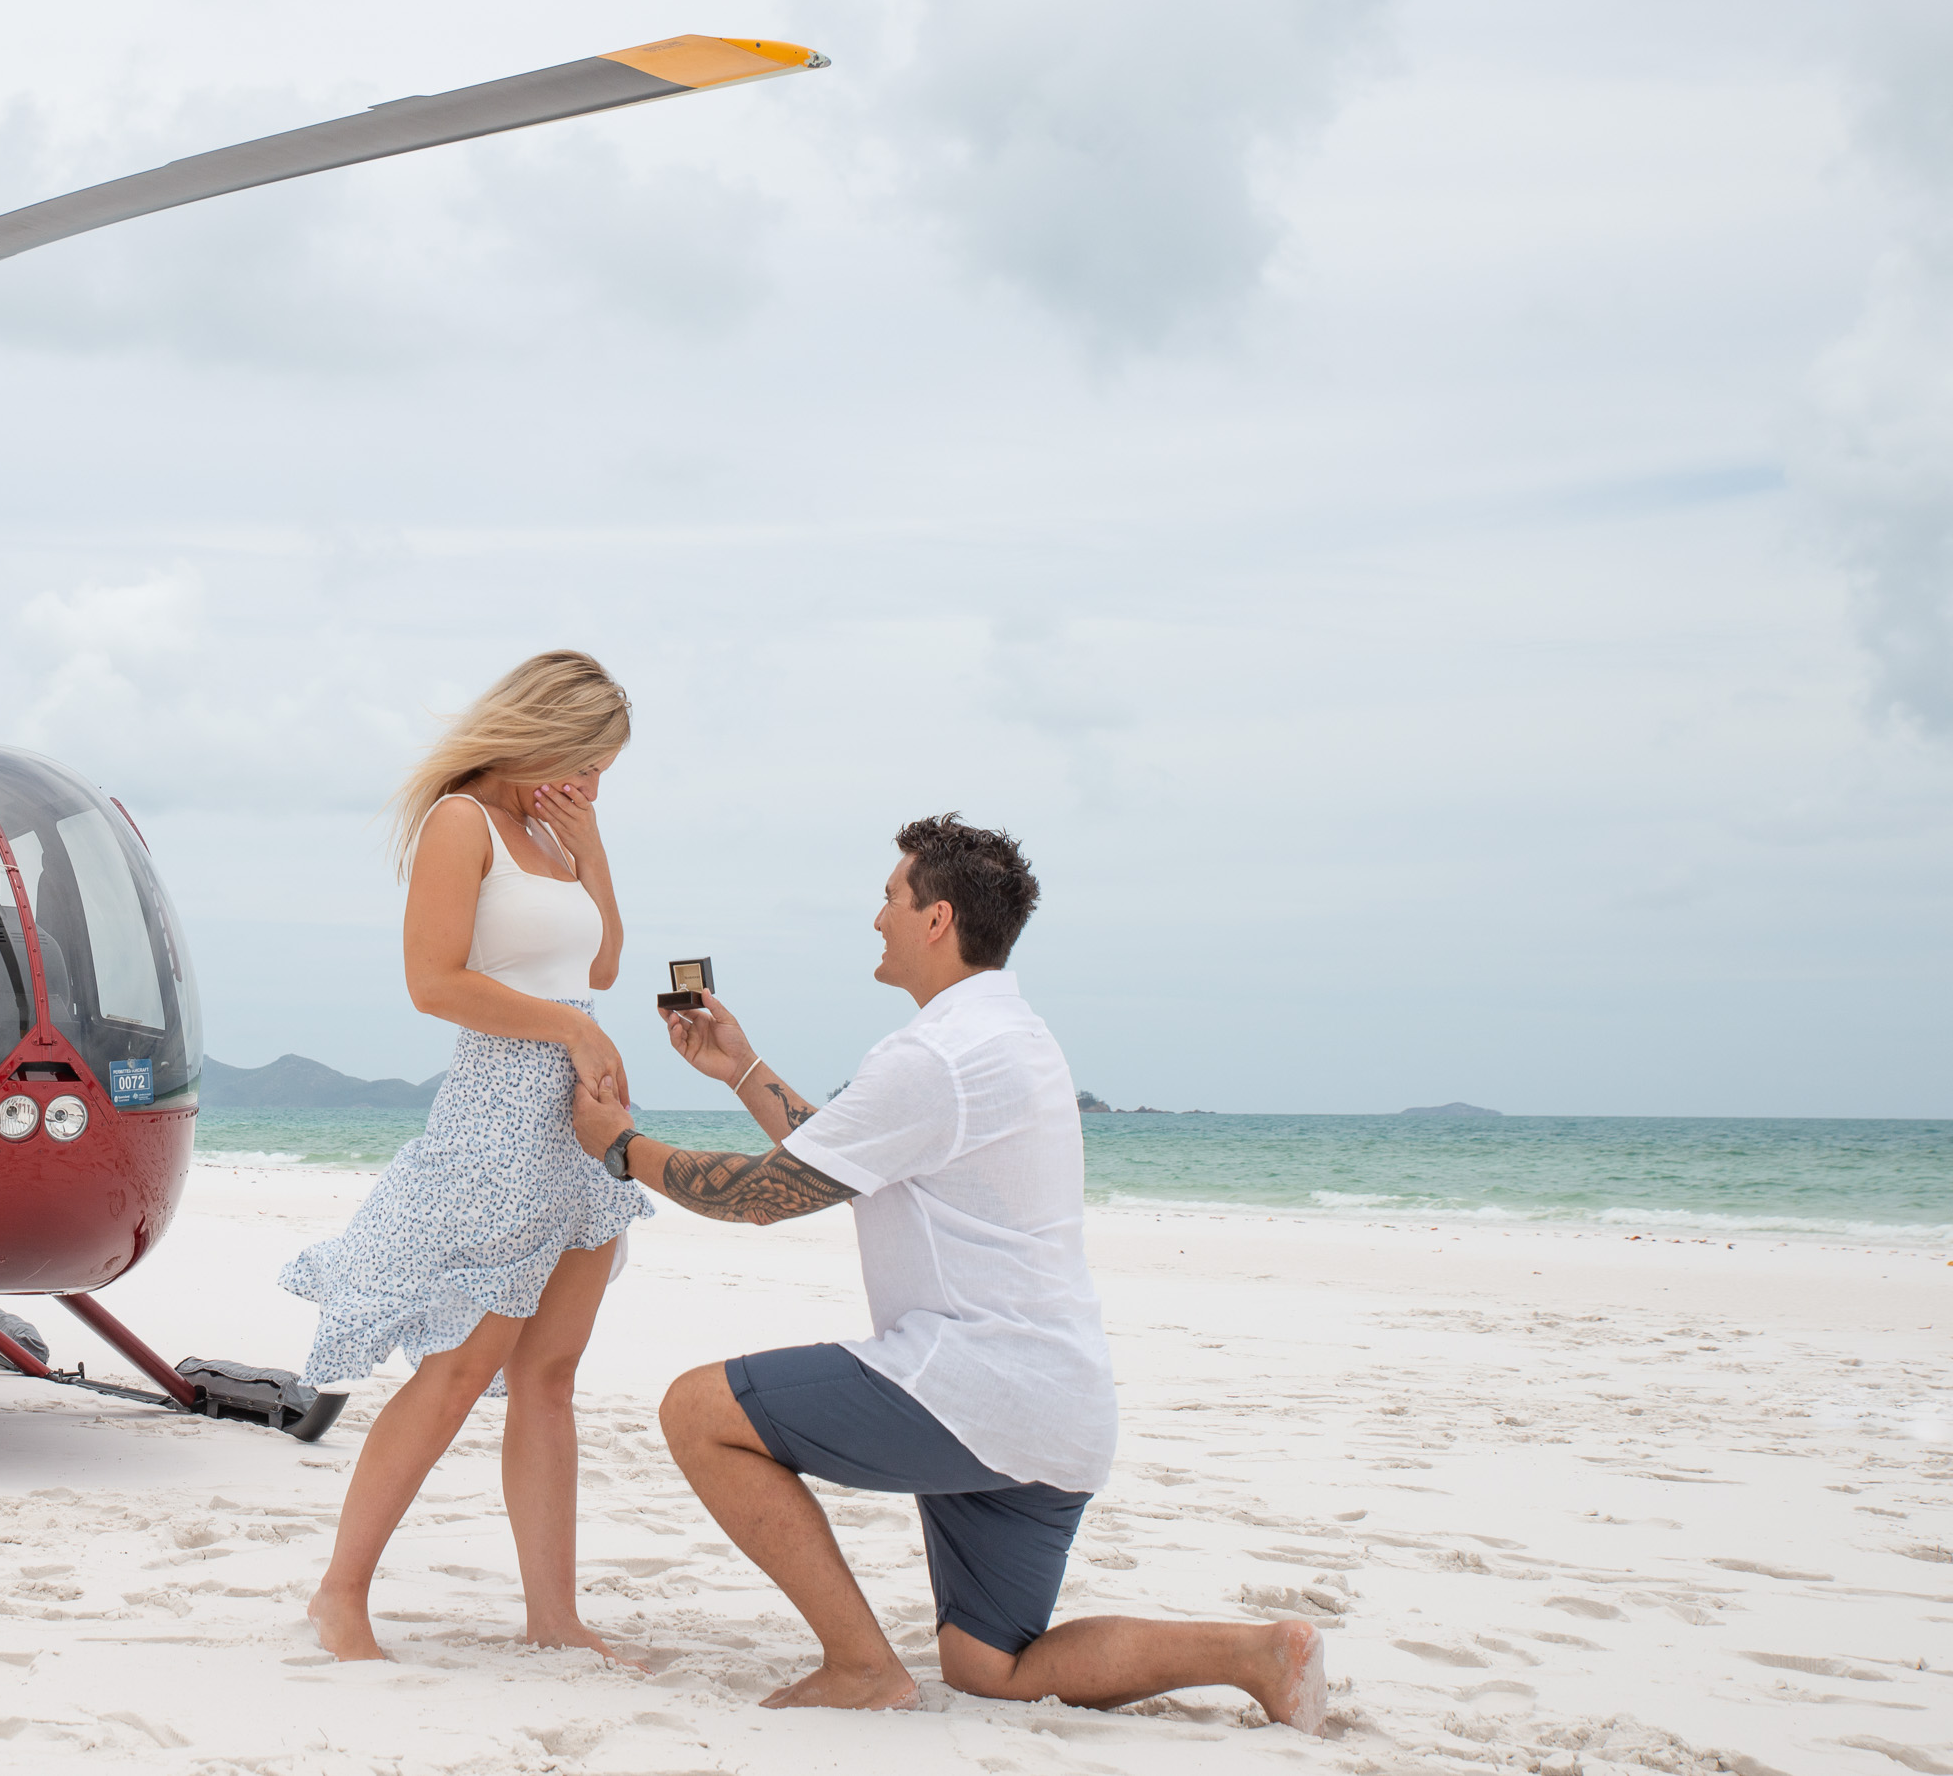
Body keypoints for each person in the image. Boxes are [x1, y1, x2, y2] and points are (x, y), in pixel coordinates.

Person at [568, 814, 1329, 1730]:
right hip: (1058, 1415)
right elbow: (854, 1157)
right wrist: (743, 1070)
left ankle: (859, 1666)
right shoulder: (1008, 1035)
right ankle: (1257, 1653)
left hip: (977, 1385)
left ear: (936, 918)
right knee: (990, 1666)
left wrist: (621, 1147)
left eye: (890, 897)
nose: (876, 917)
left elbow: (765, 1198)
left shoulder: (935, 1055)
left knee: (697, 1410)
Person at [282, 650, 652, 1665]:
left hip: (580, 1127)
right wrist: (570, 1034)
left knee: (552, 1376)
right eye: (586, 764)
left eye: (603, 773)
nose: (590, 784)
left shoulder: (553, 832)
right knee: (456, 1371)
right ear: (541, 734)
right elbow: (431, 980)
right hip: (498, 1115)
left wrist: (592, 843)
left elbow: (604, 965)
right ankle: (339, 1595)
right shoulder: (462, 821)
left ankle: (554, 1617)